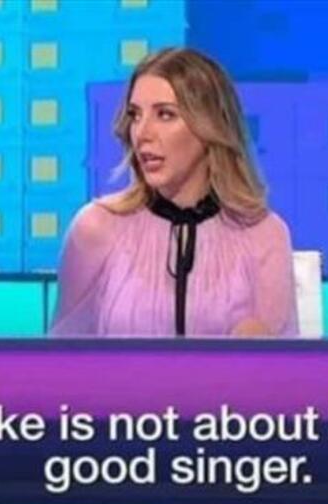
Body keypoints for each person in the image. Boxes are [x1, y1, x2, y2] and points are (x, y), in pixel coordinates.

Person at [51, 48, 298, 338]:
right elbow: (61, 358)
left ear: (210, 125)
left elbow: (284, 362)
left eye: (165, 114)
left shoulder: (265, 234)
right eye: (135, 115)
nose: (142, 133)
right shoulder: (94, 228)